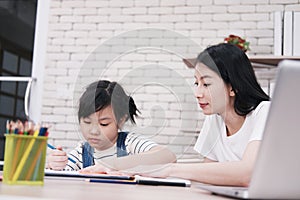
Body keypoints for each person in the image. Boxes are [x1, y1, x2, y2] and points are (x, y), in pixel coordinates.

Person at [128, 43, 271, 187]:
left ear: (233, 87)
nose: (197, 94)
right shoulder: (215, 118)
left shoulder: (265, 112)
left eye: (206, 84)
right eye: (197, 83)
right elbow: (208, 174)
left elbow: (247, 174)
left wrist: (169, 169)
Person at [46, 80, 176, 171]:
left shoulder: (129, 144)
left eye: (103, 124)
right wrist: (54, 165)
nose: (93, 131)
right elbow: (63, 176)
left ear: (121, 121)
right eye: (87, 122)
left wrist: (114, 165)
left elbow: (167, 156)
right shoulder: (81, 153)